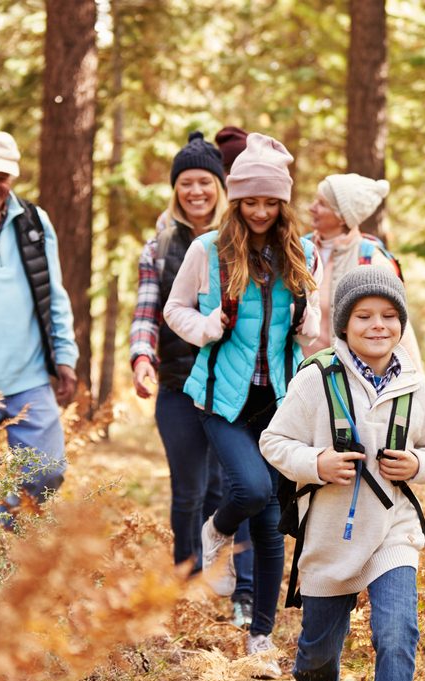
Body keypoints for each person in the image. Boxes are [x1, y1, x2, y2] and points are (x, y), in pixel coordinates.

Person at [259, 268, 425, 681]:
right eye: (364, 316)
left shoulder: (415, 385)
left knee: (398, 630)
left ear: (401, 323)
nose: (378, 326)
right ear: (344, 324)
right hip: (331, 533)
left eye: (389, 316)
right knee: (318, 654)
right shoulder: (315, 379)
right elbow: (273, 442)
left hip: (393, 529)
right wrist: (317, 463)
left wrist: (419, 464)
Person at [164, 132, 320, 677]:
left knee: (273, 519)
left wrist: (311, 329)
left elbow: (310, 329)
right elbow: (174, 311)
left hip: (279, 399)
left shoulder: (300, 253)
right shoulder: (207, 250)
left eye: (269, 202)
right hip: (219, 397)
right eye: (249, 201)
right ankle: (215, 529)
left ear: (282, 204)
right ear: (236, 201)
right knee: (250, 489)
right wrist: (205, 327)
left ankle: (260, 637)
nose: (258, 211)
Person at [129, 131, 255, 628]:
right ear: (175, 189)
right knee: (187, 490)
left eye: (204, 181)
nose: (195, 191)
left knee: (229, 489)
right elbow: (147, 313)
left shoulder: (240, 236)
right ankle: (187, 585)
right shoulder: (158, 245)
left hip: (231, 384)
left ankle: (231, 584)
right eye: (185, 183)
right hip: (179, 383)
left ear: (220, 185)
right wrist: (142, 356)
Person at [0, 130, 78, 515]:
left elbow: (54, 294)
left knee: (47, 474)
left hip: (28, 378)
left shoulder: (34, 222)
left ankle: (7, 528)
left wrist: (64, 358)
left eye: (2, 178)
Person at [304, 173, 422, 368]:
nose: (312, 208)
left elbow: (398, 325)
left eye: (322, 204)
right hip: (298, 377)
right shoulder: (298, 250)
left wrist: (416, 385)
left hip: (348, 381)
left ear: (343, 217)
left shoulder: (373, 261)